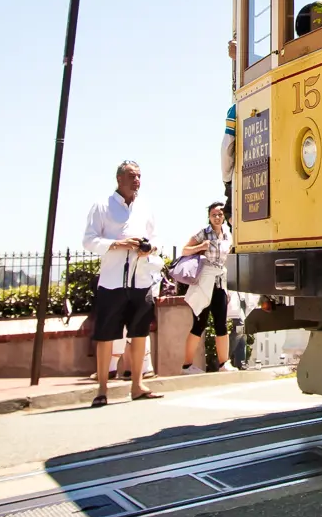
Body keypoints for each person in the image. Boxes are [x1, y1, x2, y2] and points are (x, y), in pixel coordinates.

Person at [83, 160, 163, 405]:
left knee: (140, 334)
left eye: (139, 176)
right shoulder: (102, 206)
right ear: (119, 179)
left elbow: (156, 238)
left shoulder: (145, 207)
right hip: (112, 282)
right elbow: (89, 241)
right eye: (132, 176)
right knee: (106, 335)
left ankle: (137, 386)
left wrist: (149, 248)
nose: (136, 181)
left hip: (140, 281)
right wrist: (117, 244)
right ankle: (102, 390)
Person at [179, 202, 236, 373]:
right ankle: (187, 365)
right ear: (209, 217)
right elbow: (184, 250)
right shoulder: (203, 233)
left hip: (220, 282)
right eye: (213, 214)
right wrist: (200, 247)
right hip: (204, 282)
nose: (217, 217)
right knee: (199, 323)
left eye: (220, 214)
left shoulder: (228, 235)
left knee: (221, 324)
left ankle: (223, 363)